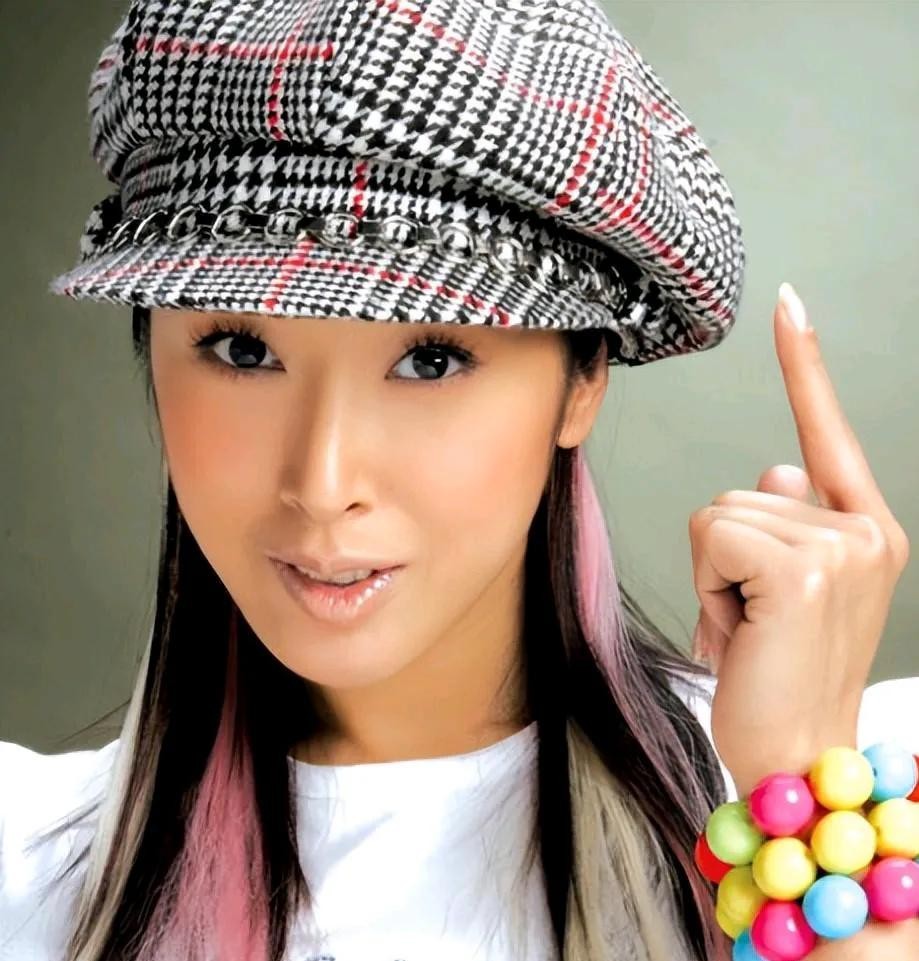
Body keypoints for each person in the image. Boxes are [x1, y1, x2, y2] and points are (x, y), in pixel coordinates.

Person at [2, 1, 916, 960]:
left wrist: (807, 806)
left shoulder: (843, 793)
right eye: (241, 348)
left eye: (429, 360)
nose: (323, 482)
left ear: (582, 381)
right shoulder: (25, 869)